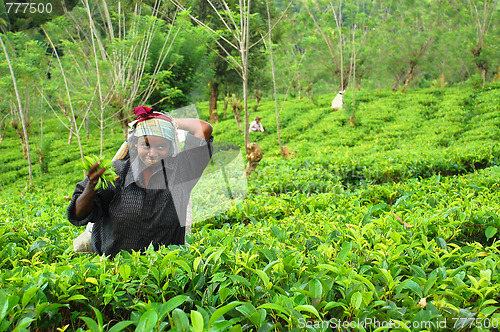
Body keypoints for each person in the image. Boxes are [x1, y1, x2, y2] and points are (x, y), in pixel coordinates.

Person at [67, 106, 213, 257]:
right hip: (114, 272)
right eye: (146, 145)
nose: (152, 153)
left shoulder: (181, 172)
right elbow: (78, 214)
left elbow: (204, 128)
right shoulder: (116, 173)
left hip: (164, 271)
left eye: (161, 146)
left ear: (170, 146)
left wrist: (168, 121)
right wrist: (91, 187)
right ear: (136, 144)